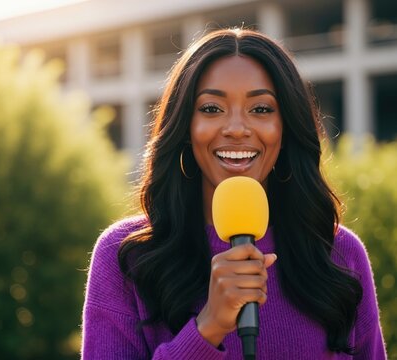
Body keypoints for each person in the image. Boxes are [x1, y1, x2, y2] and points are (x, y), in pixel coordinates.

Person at [81, 28, 387, 359]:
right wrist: (208, 327)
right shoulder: (125, 258)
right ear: (185, 127)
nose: (237, 129)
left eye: (261, 109)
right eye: (212, 109)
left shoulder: (340, 254)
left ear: (285, 129)